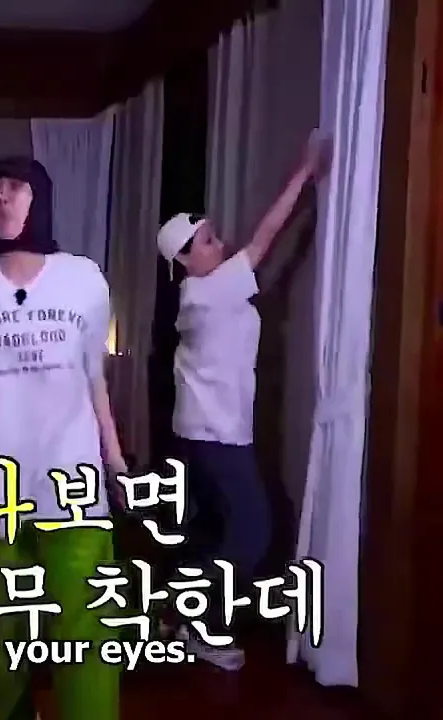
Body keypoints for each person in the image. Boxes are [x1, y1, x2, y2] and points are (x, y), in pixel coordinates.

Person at [0, 156, 127, 720]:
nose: (3, 199)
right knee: (4, 634)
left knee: (86, 626)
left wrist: (115, 460)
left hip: (73, 481)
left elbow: (93, 377)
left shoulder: (82, 278)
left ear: (39, 197)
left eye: (15, 188)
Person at [154, 131, 331, 671]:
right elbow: (265, 239)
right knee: (253, 532)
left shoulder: (197, 294)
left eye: (213, 235)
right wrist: (305, 173)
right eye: (207, 241)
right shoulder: (211, 290)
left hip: (201, 430)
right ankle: (197, 621)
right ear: (185, 261)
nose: (220, 243)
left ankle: (177, 609)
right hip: (217, 433)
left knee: (218, 526)